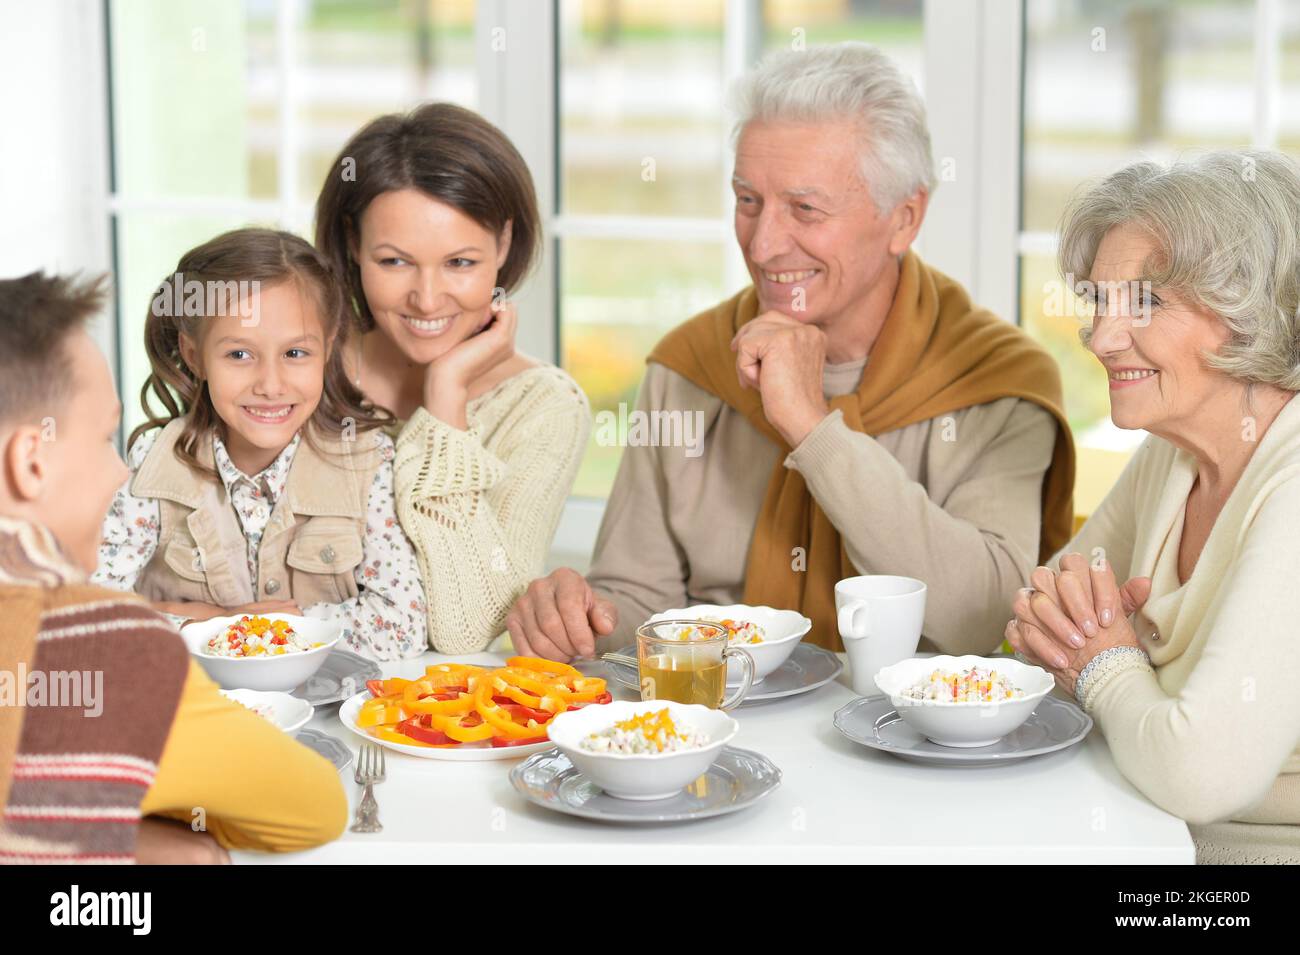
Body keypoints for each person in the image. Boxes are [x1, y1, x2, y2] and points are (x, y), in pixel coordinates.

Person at [507, 42, 1075, 661]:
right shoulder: (690, 365)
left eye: (805, 208)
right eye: (747, 200)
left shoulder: (998, 383)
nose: (766, 243)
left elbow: (980, 617)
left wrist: (813, 427)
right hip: (722, 732)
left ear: (904, 218)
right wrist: (579, 618)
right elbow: (640, 603)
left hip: (919, 742)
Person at [1006, 150, 1300, 864]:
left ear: (1247, 308)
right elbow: (1031, 628)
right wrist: (1107, 656)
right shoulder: (1174, 451)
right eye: (1100, 302)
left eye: (1144, 302)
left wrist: (1107, 664)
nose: (1102, 338)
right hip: (1143, 835)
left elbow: (1201, 771)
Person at [0, 271, 347, 863]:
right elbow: (313, 811)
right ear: (32, 462)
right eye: (103, 437)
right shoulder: (98, 642)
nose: (118, 471)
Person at [315, 102, 591, 655]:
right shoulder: (296, 373)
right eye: (394, 262)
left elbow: (473, 628)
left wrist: (446, 400)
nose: (427, 297)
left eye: (460, 263)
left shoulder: (545, 407)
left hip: (436, 724)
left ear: (504, 245)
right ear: (353, 244)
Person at [93, 228, 428, 661]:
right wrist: (207, 624)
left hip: (330, 715)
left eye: (294, 354)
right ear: (194, 356)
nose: (271, 385)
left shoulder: (368, 462)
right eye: (239, 355)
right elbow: (88, 614)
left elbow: (402, 628)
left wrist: (261, 629)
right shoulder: (152, 465)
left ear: (327, 350)